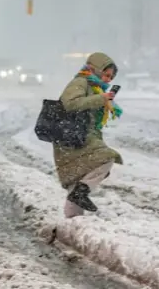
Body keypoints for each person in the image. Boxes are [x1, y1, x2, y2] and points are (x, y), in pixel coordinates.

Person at [55, 52, 123, 218]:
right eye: (106, 75)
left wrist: (102, 98)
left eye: (111, 78)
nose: (108, 80)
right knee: (107, 157)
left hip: (78, 137)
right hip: (71, 136)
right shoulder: (80, 82)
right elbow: (69, 104)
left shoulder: (95, 87)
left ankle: (73, 221)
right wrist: (101, 99)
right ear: (96, 69)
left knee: (77, 176)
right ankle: (81, 192)